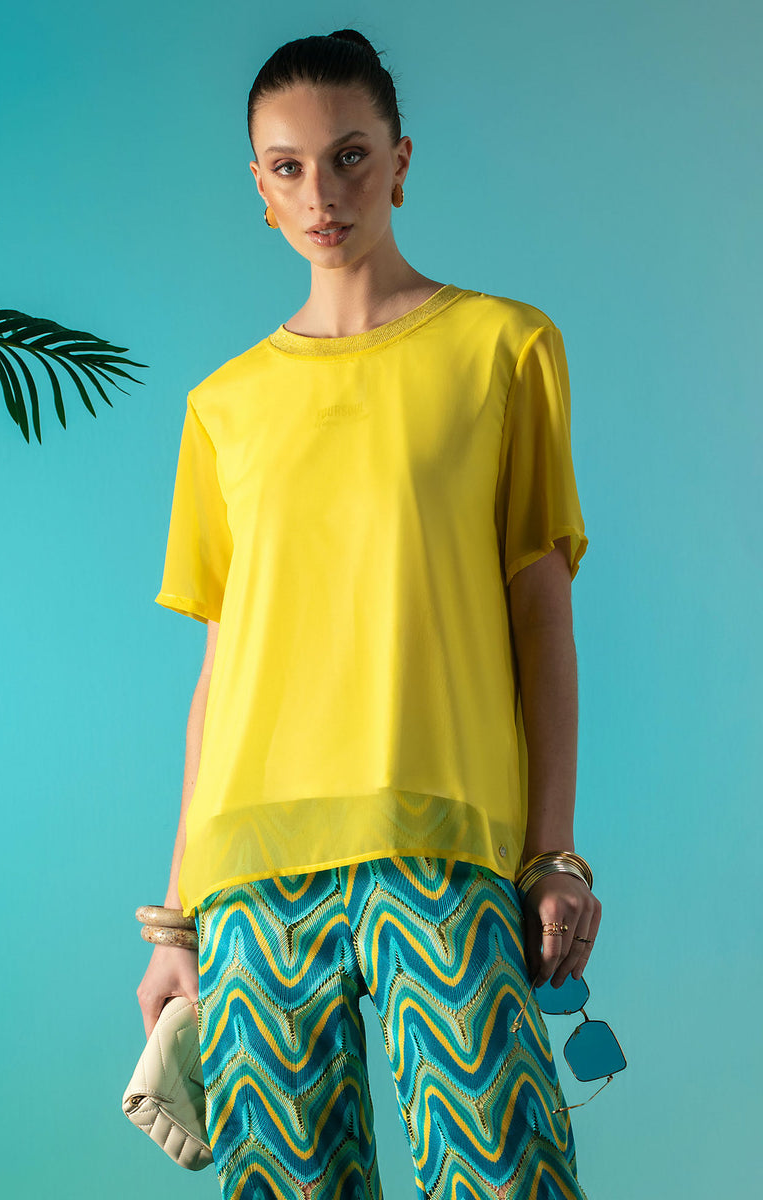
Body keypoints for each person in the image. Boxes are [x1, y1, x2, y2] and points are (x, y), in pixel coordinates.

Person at [136, 28, 600, 1200]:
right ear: (257, 186)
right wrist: (177, 921)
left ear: (399, 160)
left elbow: (540, 619)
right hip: (251, 874)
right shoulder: (223, 407)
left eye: (347, 156)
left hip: (441, 844)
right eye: (286, 167)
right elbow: (220, 669)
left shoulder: (502, 349)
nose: (320, 194)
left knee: (502, 1172)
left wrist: (552, 852)